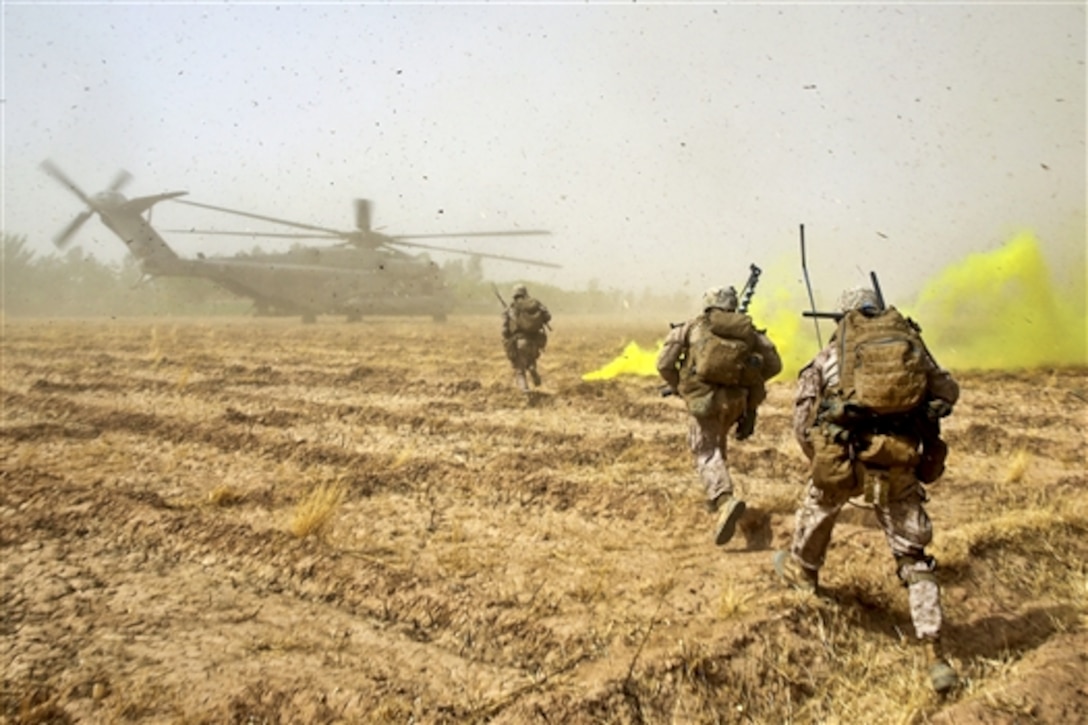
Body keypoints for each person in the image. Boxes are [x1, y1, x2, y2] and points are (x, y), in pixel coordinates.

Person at [772, 287, 960, 695]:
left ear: (844, 317)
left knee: (818, 504)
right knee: (914, 558)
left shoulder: (832, 353)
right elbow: (948, 391)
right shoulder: (911, 346)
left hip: (846, 461)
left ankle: (805, 577)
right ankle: (934, 652)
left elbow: (802, 418)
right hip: (899, 463)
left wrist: (821, 459)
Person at [656, 286, 782, 546]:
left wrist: (680, 386)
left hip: (705, 401)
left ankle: (724, 499)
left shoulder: (691, 327)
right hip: (737, 402)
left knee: (704, 451)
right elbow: (774, 365)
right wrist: (747, 381)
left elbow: (664, 363)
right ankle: (716, 497)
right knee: (717, 445)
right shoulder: (749, 332)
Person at [502, 284, 551, 392]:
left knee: (519, 370)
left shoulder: (512, 308)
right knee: (530, 359)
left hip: (520, 342)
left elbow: (505, 331)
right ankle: (532, 368)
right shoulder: (534, 305)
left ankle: (525, 391)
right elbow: (547, 317)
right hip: (534, 342)